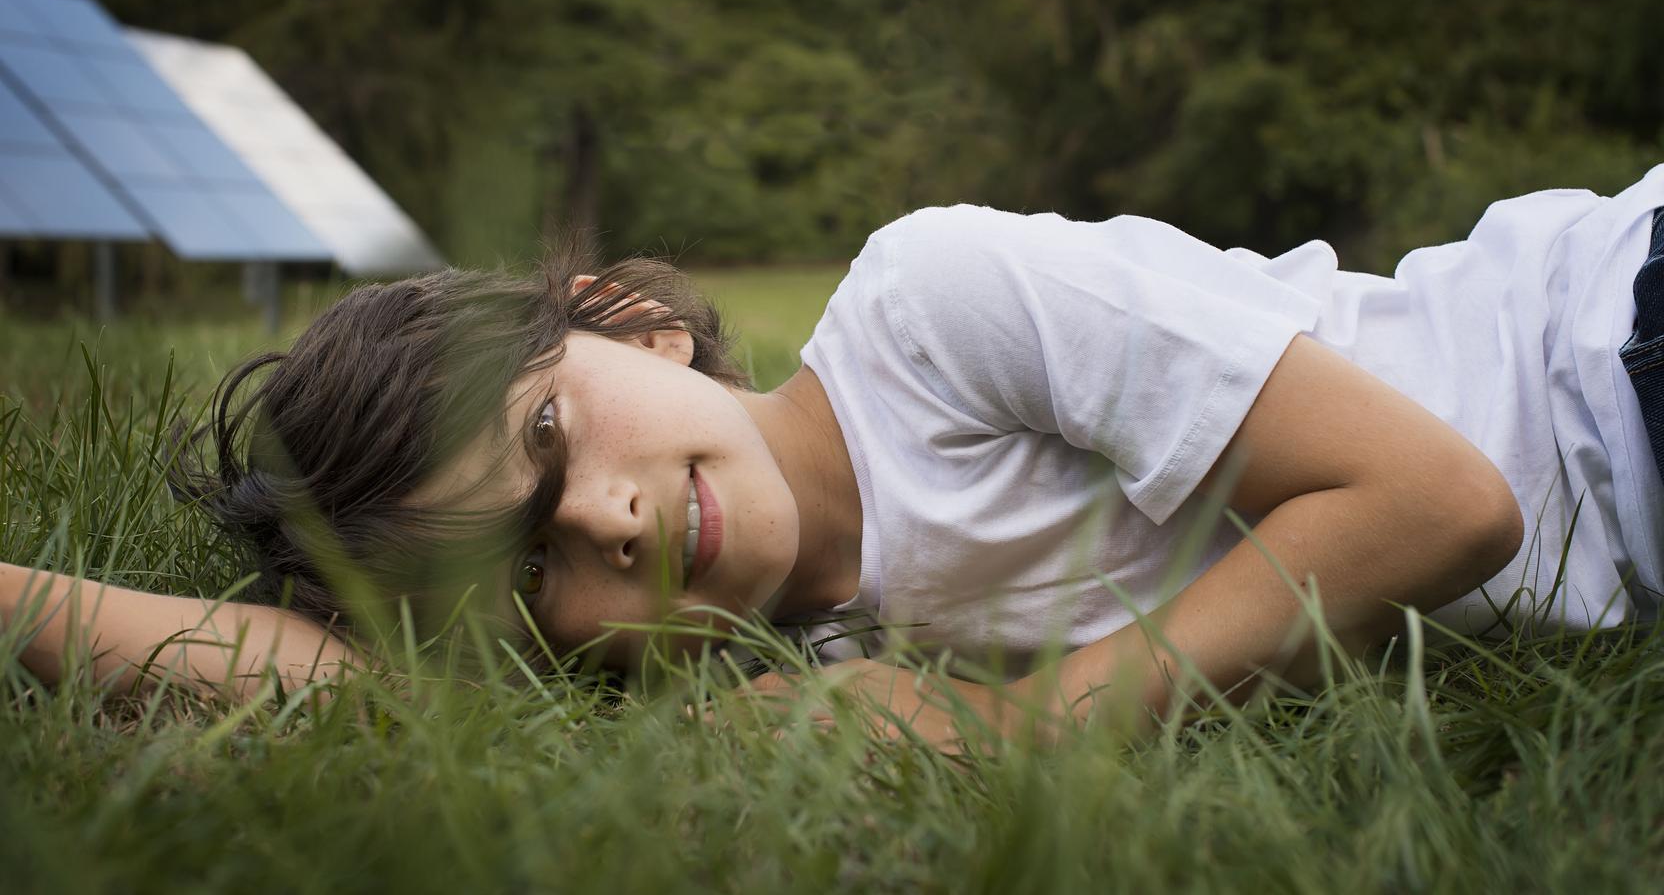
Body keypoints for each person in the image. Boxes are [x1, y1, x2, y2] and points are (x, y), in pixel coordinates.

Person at [7, 163, 1664, 747]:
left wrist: (1028, 724)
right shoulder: (788, 673)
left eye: (548, 435)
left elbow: (1442, 504)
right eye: (528, 568)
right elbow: (344, 681)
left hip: (1609, 353)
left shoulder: (939, 306)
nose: (611, 523)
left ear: (623, 321)